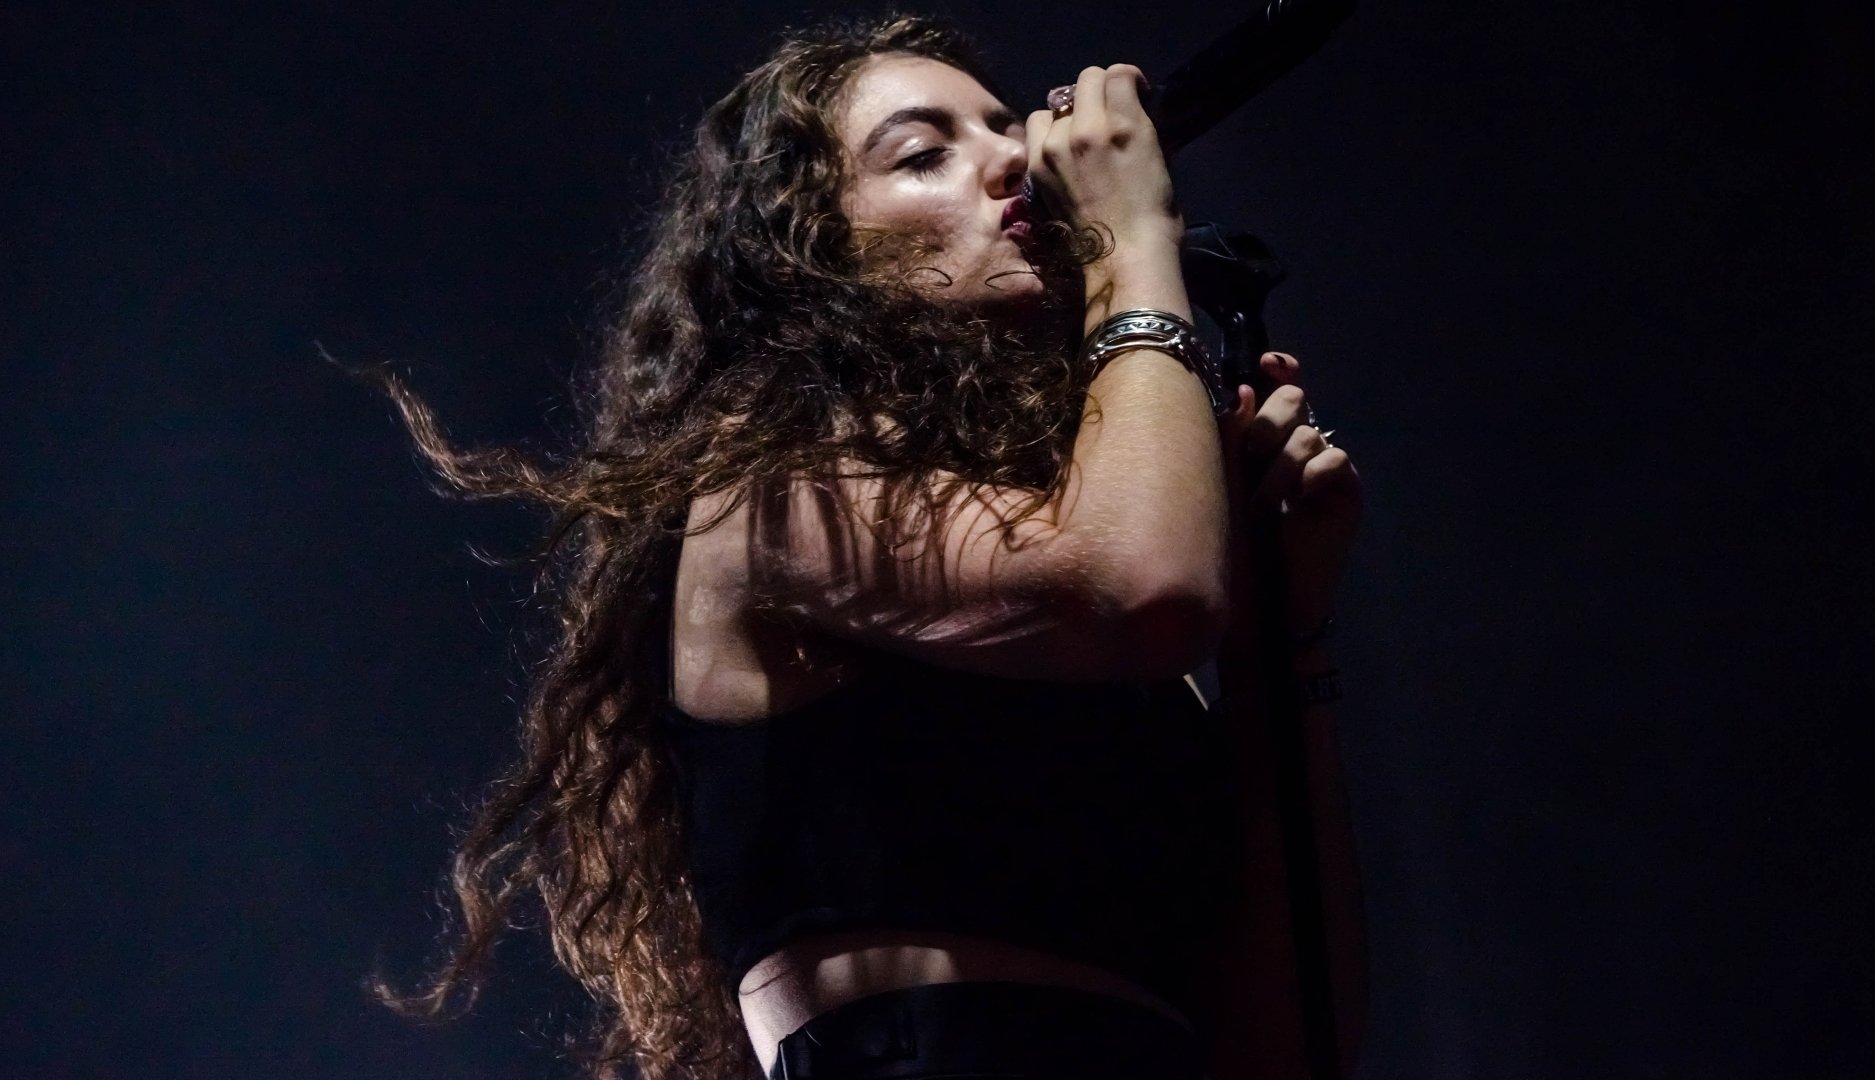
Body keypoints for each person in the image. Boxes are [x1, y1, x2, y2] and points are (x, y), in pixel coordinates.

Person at [373, 14, 1362, 1080]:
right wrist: (1130, 249)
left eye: (1001, 126)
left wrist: (1276, 648)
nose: (1017, 159)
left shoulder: (1092, 621)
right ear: (808, 259)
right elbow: (1146, 587)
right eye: (925, 154)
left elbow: (1293, 1045)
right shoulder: (763, 496)